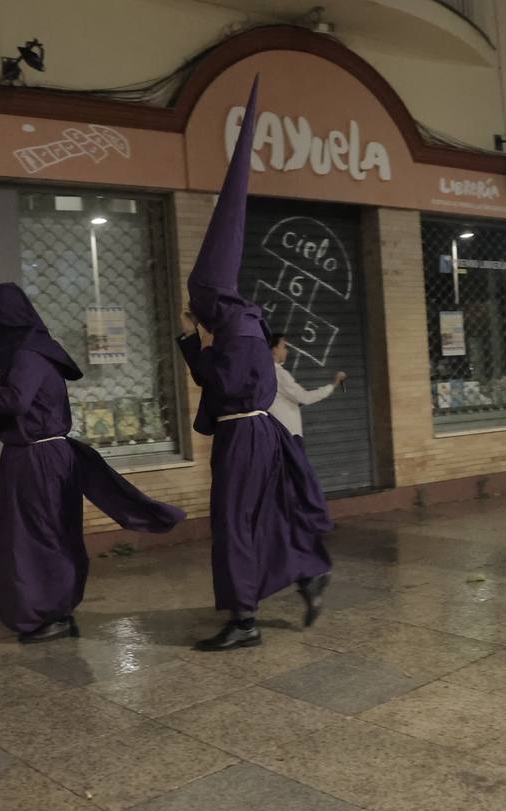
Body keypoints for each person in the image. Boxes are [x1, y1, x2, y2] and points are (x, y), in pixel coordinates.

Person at [177, 78, 334, 651]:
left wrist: (198, 344)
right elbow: (219, 379)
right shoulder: (238, 326)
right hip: (251, 435)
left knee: (234, 527)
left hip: (245, 437)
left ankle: (244, 621)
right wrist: (195, 340)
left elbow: (231, 384)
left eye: (198, 299)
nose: (194, 306)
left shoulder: (239, 331)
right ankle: (307, 572)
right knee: (257, 520)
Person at [0, 283, 184, 643]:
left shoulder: (28, 354)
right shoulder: (24, 352)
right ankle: (49, 609)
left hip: (40, 459)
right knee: (27, 535)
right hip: (29, 457)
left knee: (41, 536)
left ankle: (53, 612)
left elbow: (16, 400)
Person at [268, 332, 346, 439]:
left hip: (278, 433)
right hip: (287, 436)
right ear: (274, 349)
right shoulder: (279, 373)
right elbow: (305, 397)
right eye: (284, 346)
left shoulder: (265, 371)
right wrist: (333, 384)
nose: (287, 351)